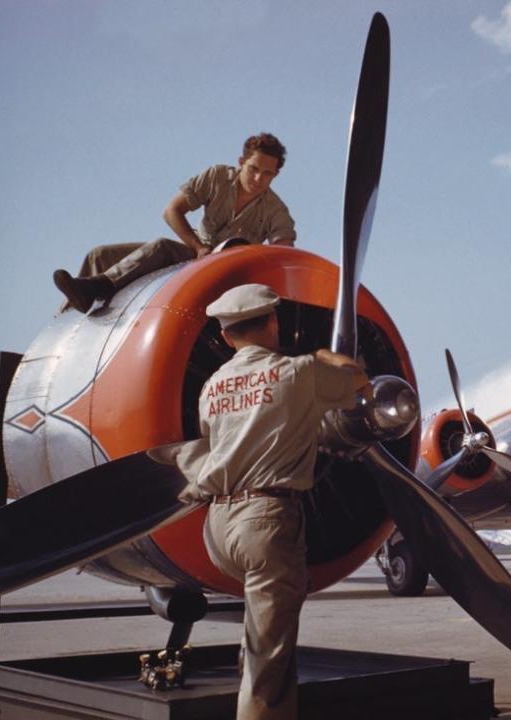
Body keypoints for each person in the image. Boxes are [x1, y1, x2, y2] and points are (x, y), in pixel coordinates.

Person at [178, 283, 368, 720]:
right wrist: (326, 356)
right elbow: (358, 380)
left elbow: (215, 443)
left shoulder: (212, 387)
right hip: (265, 521)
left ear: (226, 337)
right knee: (269, 663)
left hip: (219, 528)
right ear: (273, 321)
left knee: (265, 639)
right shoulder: (297, 371)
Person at [53, 133, 297, 313]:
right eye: (253, 168)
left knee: (162, 247)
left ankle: (100, 287)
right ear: (241, 162)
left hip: (226, 271)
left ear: (275, 175)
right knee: (99, 256)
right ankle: (63, 322)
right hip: (195, 251)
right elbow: (172, 211)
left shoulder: (277, 211)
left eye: (267, 174)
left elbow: (282, 256)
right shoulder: (216, 177)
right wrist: (199, 247)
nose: (258, 178)